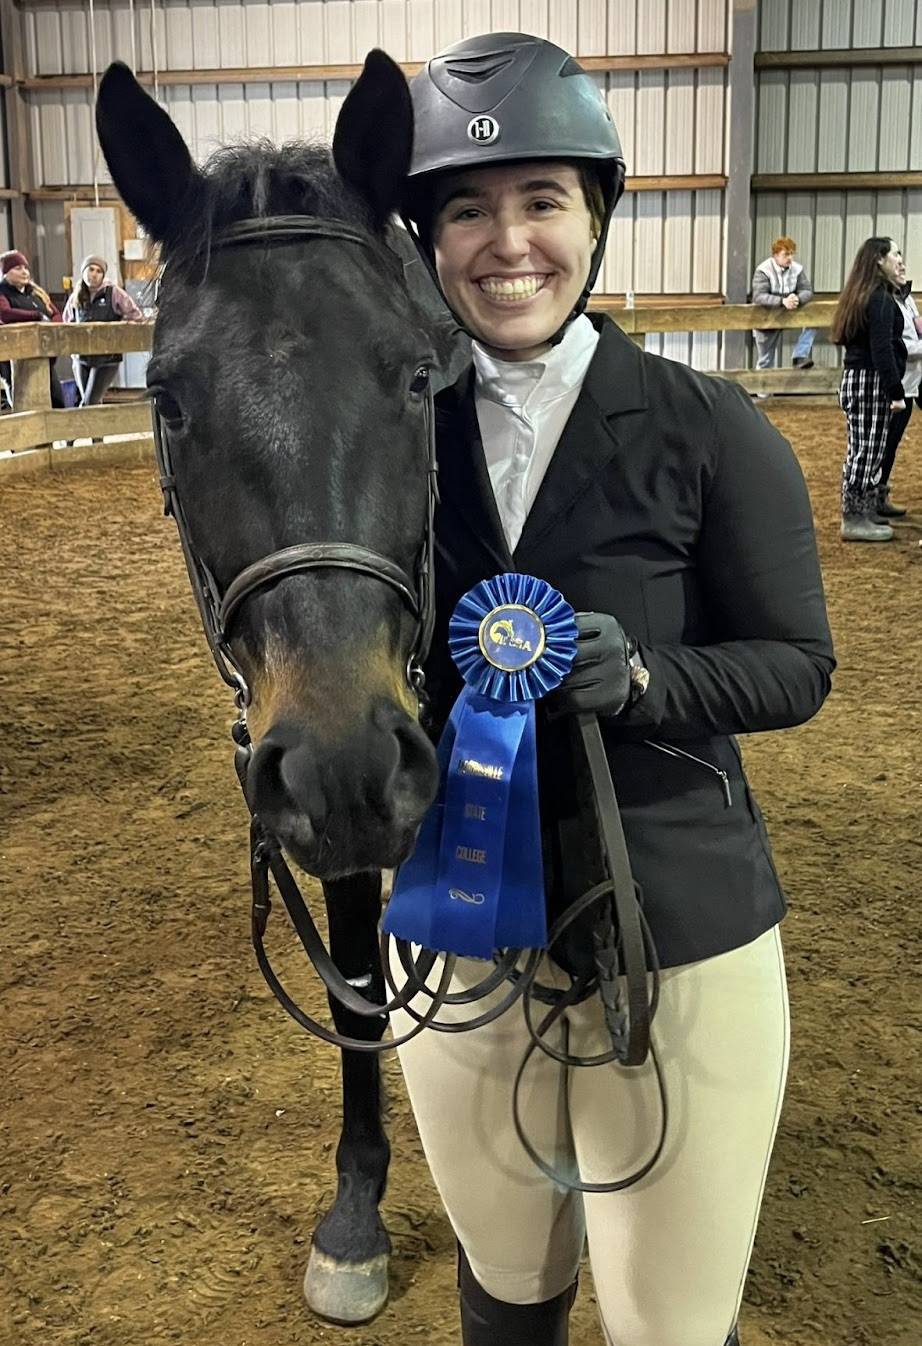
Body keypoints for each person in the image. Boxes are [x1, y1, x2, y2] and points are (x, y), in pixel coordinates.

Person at [391, 33, 835, 1346]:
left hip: (673, 930)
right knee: (504, 1286)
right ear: (427, 239)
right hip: (460, 932)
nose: (505, 241)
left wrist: (642, 675)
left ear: (595, 217)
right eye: (465, 209)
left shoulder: (707, 428)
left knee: (662, 1320)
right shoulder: (392, 440)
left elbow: (797, 663)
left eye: (539, 201)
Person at [831, 237, 907, 542]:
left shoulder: (867, 295)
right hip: (869, 380)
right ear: (879, 260)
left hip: (860, 378)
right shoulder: (879, 298)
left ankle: (863, 510)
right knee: (867, 450)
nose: (901, 260)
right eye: (896, 254)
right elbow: (881, 348)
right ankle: (853, 518)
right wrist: (896, 390)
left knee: (864, 448)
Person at [62, 254, 143, 406]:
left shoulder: (113, 293)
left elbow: (135, 314)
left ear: (103, 275)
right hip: (82, 357)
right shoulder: (77, 296)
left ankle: (82, 429)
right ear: (83, 271)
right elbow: (67, 321)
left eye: (98, 271)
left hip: (108, 357)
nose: (93, 274)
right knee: (90, 400)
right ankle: (95, 430)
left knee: (89, 402)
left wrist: (120, 328)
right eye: (90, 269)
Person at [876, 263, 922, 519]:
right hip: (897, 382)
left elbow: (916, 332)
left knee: (891, 442)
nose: (903, 265)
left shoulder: (907, 298)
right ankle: (874, 496)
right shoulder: (883, 302)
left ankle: (880, 494)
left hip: (913, 380)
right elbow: (898, 345)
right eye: (896, 260)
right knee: (886, 442)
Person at [0, 249, 65, 408]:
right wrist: (37, 316)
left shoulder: (36, 293)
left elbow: (55, 313)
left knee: (56, 400)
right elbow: (5, 313)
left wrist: (54, 325)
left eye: (25, 268)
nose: (24, 272)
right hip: (15, 357)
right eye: (17, 268)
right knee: (23, 401)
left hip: (43, 355)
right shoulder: (2, 292)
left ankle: (59, 432)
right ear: (6, 273)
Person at [751, 236, 816, 371]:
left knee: (815, 320)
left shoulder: (797, 269)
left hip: (791, 310)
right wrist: (782, 301)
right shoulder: (763, 270)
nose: (790, 258)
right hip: (767, 316)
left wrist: (798, 299)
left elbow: (807, 290)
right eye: (786, 254)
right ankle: (764, 391)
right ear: (775, 255)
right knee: (765, 359)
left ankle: (800, 355)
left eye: (792, 253)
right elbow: (759, 296)